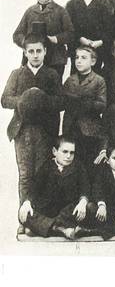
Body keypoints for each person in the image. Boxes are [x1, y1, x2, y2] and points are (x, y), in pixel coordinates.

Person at [2, 34, 64, 208]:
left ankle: (39, 216)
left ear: (45, 51)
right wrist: (25, 99)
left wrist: (40, 98)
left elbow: (60, 101)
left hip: (45, 131)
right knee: (25, 174)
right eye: (31, 51)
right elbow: (5, 99)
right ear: (25, 52)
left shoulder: (51, 74)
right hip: (22, 131)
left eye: (39, 51)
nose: (35, 55)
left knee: (42, 173)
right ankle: (25, 217)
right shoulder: (17, 74)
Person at [18, 138, 91, 239]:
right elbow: (34, 188)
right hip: (49, 210)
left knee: (90, 208)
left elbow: (85, 187)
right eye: (65, 152)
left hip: (68, 211)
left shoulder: (78, 167)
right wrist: (27, 203)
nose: (68, 156)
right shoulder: (47, 166)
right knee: (25, 214)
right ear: (54, 151)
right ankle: (62, 229)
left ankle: (45, 227)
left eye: (72, 153)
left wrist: (83, 202)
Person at [13, 0, 74, 79]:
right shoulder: (30, 11)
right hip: (32, 60)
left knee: (53, 90)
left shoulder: (60, 11)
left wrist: (56, 38)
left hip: (55, 60)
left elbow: (70, 33)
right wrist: (27, 42)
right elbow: (17, 34)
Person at [62, 46, 107, 171]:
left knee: (88, 165)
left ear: (93, 61)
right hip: (71, 127)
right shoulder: (70, 80)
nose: (79, 61)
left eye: (83, 58)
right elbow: (63, 101)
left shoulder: (98, 80)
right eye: (77, 58)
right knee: (71, 164)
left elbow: (102, 104)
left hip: (90, 130)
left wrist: (86, 102)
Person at [65, 0, 108, 73]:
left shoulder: (102, 7)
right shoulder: (71, 5)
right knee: (76, 73)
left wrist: (100, 42)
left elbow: (108, 29)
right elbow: (69, 27)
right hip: (77, 46)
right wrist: (81, 39)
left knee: (95, 73)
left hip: (96, 48)